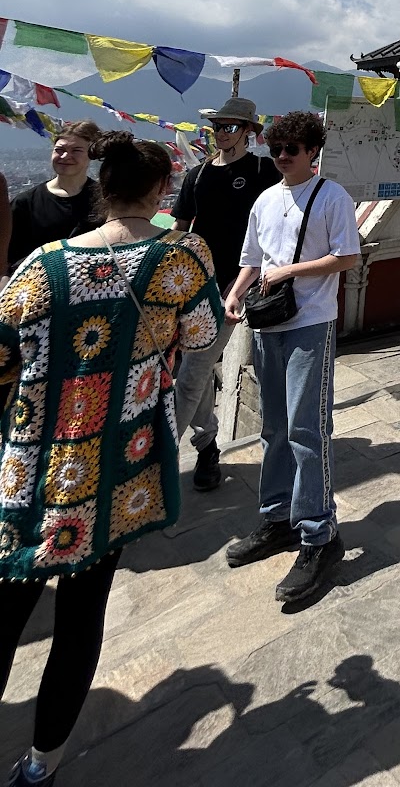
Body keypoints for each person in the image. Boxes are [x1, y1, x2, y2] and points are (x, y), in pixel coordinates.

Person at [0, 131, 222, 786]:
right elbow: (205, 335)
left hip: (31, 466)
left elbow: (3, 351)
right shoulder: (179, 258)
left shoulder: (41, 265)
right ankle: (41, 766)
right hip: (115, 468)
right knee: (78, 619)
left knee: (7, 607)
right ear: (159, 193)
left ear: (102, 186)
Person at [223, 111, 360, 605]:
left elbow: (347, 257)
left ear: (312, 152)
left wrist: (290, 273)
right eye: (277, 149)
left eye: (293, 150)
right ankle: (278, 516)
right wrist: (235, 293)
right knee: (274, 428)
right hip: (267, 326)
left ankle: (319, 534)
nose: (283, 157)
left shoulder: (331, 196)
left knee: (307, 428)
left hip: (310, 323)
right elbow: (252, 258)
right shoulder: (266, 198)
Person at [172, 94, 279, 491]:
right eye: (218, 126)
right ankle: (207, 445)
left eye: (231, 126)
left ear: (249, 132)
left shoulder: (263, 171)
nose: (222, 133)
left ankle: (159, 460)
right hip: (192, 285)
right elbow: (179, 229)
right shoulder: (197, 175)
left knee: (193, 371)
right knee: (189, 369)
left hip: (238, 285)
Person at [6, 121, 104, 277]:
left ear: (92, 155)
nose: (65, 156)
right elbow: (9, 256)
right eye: (60, 150)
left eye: (76, 150)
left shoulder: (105, 200)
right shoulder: (25, 202)